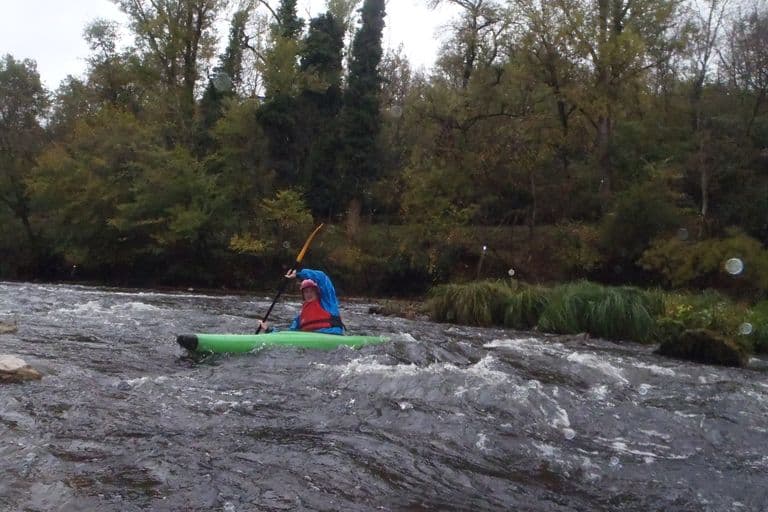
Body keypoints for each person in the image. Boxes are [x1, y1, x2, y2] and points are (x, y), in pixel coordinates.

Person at [258, 268, 345, 335]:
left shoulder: (328, 303)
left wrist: (299, 274)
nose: (309, 294)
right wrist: (268, 330)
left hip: (331, 334)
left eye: (311, 291)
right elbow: (289, 335)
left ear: (317, 292)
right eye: (306, 292)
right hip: (312, 343)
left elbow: (322, 277)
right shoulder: (300, 318)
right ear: (303, 295)